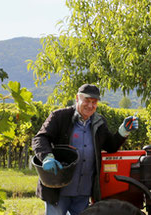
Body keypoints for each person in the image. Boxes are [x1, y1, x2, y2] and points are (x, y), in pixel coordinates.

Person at [32, 84, 139, 215]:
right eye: (87, 101)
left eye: (94, 102)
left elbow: (110, 146)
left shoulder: (99, 122)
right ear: (77, 98)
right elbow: (40, 138)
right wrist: (47, 157)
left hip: (83, 192)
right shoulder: (60, 117)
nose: (90, 105)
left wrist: (123, 131)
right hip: (58, 189)